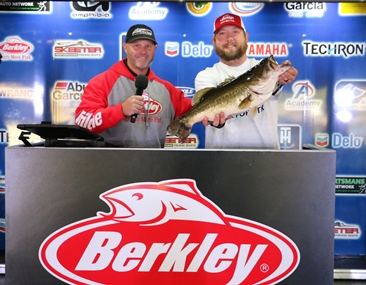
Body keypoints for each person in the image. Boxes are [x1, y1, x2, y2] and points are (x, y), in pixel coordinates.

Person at [75, 24, 207, 147]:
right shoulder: (102, 82)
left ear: (155, 49)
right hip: (111, 166)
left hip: (154, 166)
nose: (143, 51)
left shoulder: (166, 89)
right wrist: (120, 110)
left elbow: (196, 109)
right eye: (136, 45)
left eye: (148, 46)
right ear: (125, 47)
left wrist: (219, 111)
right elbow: (83, 121)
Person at [195, 13, 299, 149]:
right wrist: (216, 122)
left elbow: (276, 84)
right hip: (221, 162)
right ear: (214, 41)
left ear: (246, 37)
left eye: (235, 32)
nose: (229, 38)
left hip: (266, 161)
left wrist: (282, 78)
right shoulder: (206, 75)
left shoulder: (264, 70)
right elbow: (208, 111)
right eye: (222, 33)